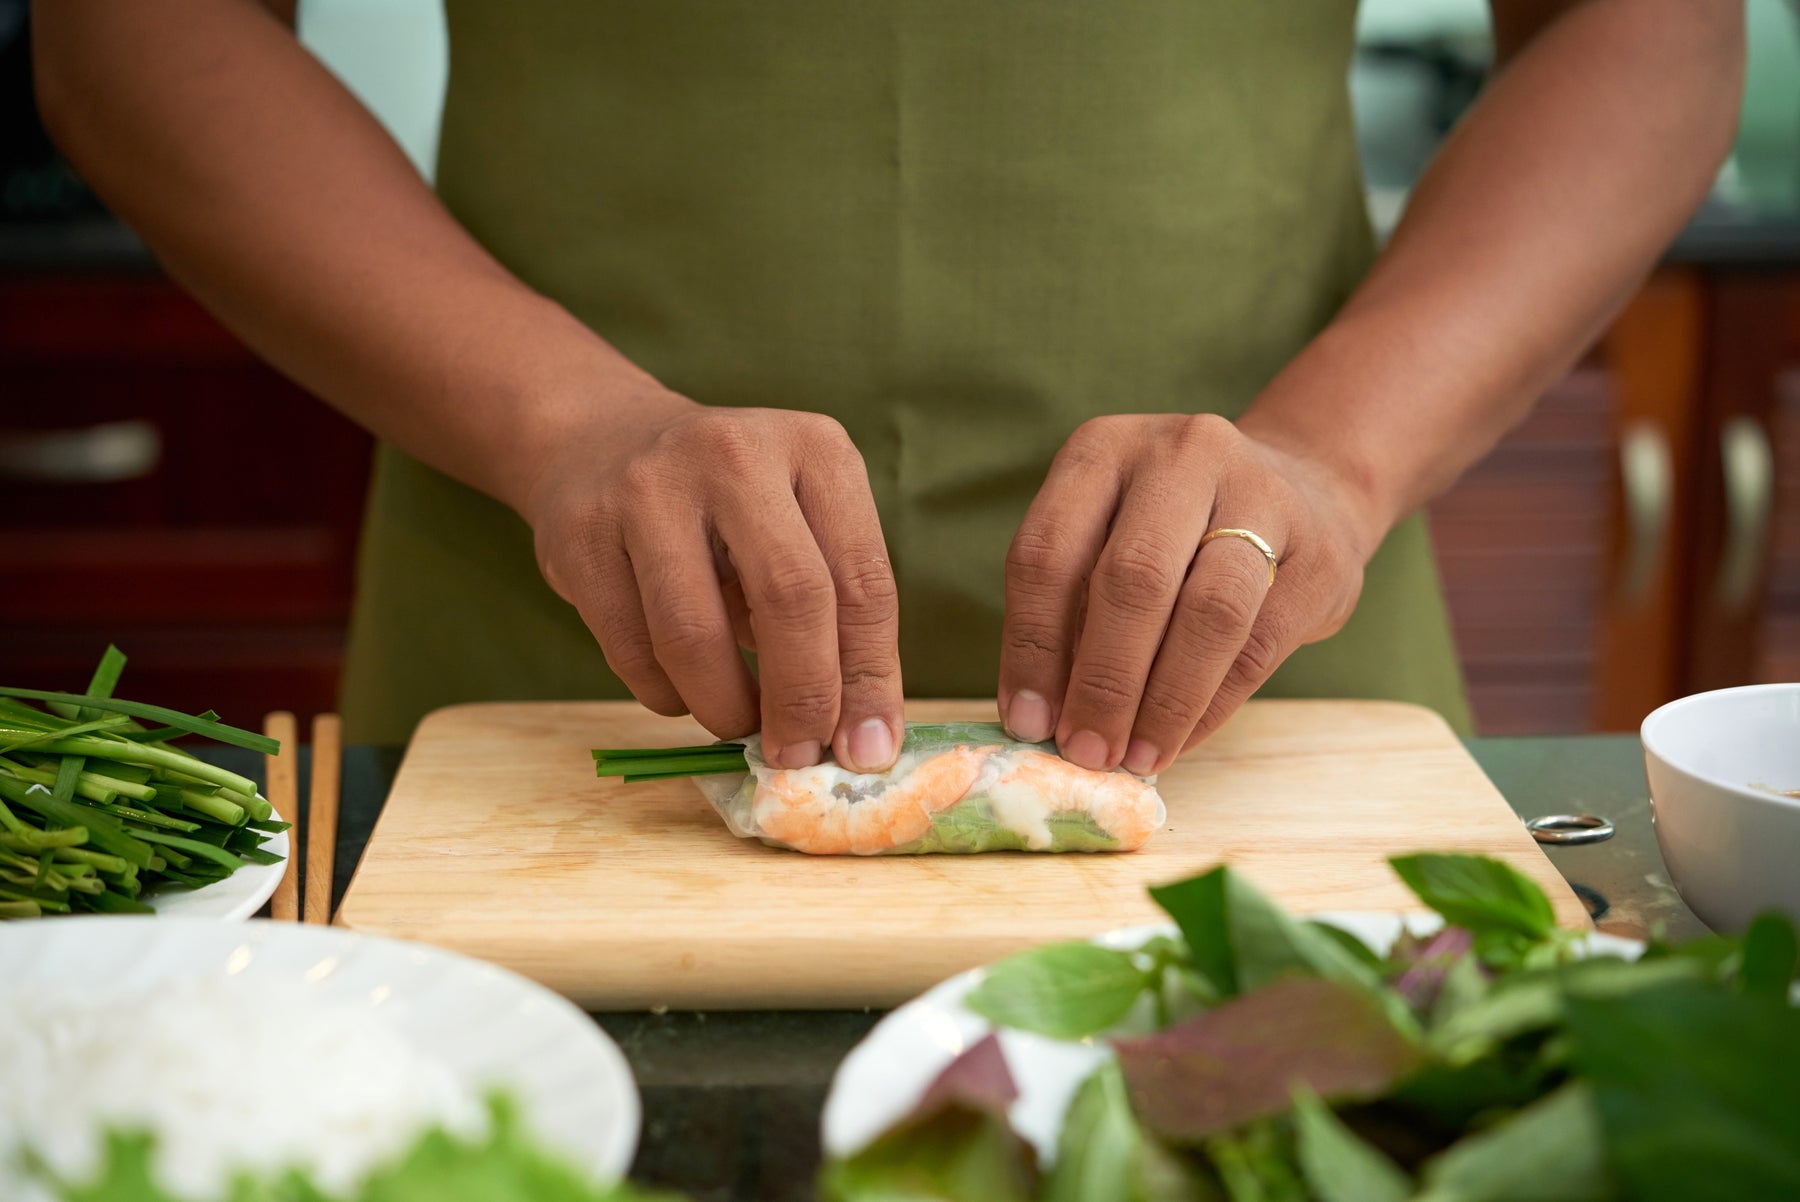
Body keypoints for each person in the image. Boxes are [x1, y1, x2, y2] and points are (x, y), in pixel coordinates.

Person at [36, 1, 1742, 775]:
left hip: (1271, 667)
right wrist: (564, 423)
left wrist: (1339, 457)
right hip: (550, 674)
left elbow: (1651, 23)